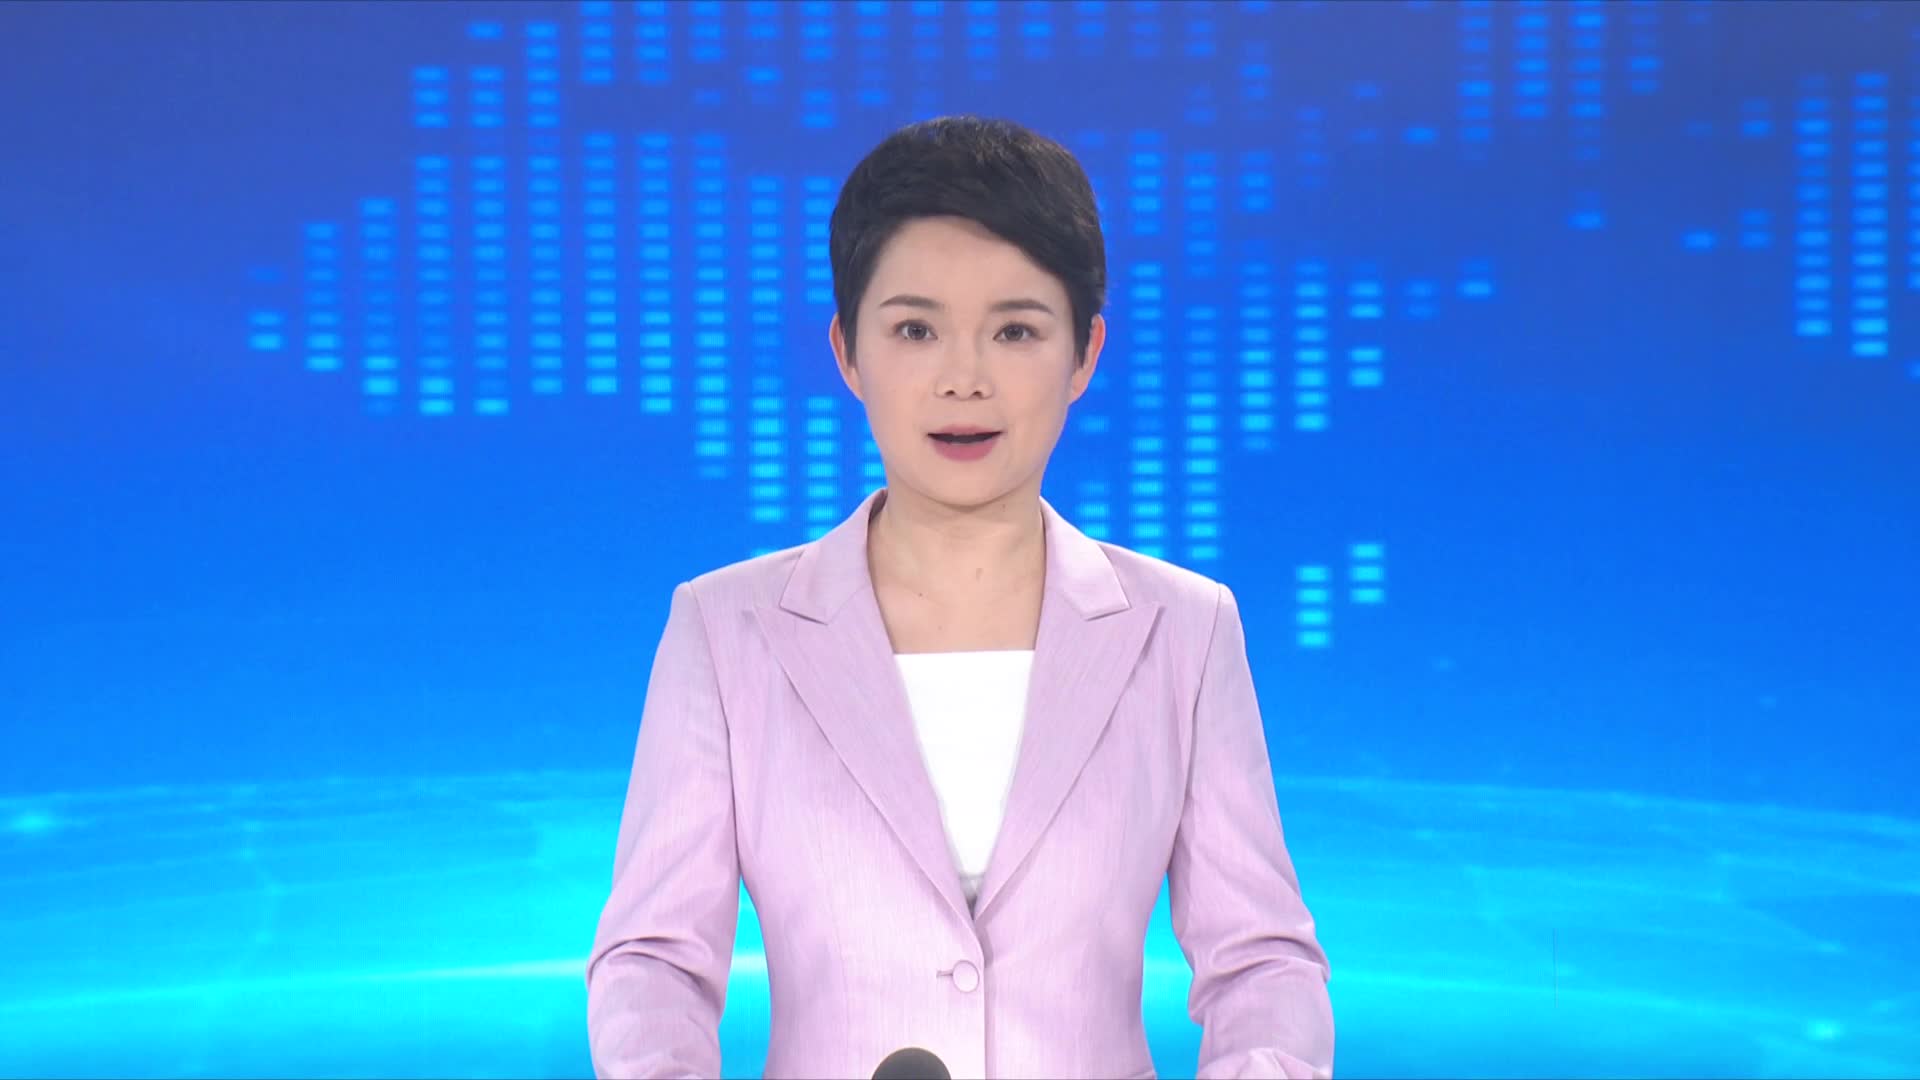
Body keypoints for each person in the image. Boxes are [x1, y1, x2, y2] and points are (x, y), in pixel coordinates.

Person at [585, 115, 1334, 1080]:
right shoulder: (727, 631)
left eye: (1015, 331)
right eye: (915, 329)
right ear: (848, 352)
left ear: (1084, 354)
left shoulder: (1184, 630)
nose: (964, 379)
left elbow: (1261, 961)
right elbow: (653, 962)